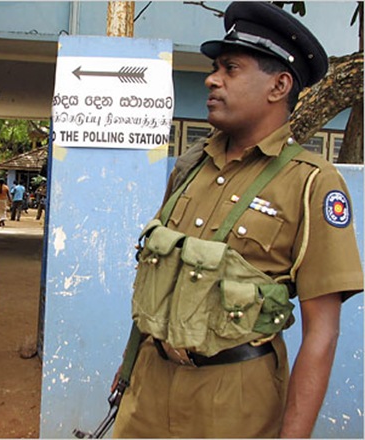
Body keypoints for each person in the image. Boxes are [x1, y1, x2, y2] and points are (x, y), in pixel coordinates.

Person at [112, 2, 363, 438]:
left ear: (279, 85)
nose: (212, 79)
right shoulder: (190, 166)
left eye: (230, 68)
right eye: (215, 68)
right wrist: (128, 365)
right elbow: (160, 274)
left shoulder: (311, 183)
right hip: (149, 387)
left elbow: (321, 334)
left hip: (235, 402)